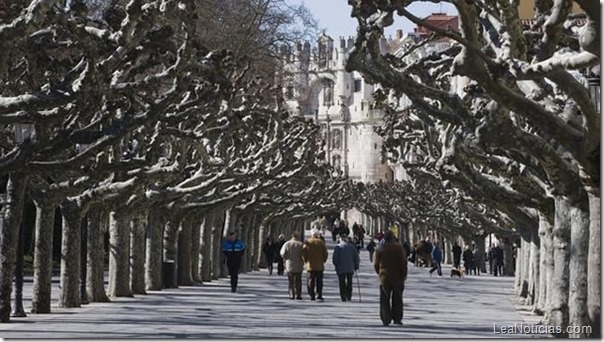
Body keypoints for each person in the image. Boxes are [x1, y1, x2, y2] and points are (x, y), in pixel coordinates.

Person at [374, 231, 408, 326]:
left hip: (384, 277)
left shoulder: (380, 249)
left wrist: (380, 273)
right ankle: (397, 318)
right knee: (397, 299)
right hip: (397, 277)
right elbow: (403, 263)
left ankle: (385, 318)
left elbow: (376, 264)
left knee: (384, 299)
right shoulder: (399, 249)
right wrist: (404, 275)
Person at [302, 228, 328, 301]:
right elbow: (325, 253)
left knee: (310, 280)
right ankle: (319, 294)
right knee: (319, 281)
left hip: (310, 265)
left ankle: (311, 294)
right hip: (319, 265)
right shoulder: (321, 242)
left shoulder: (308, 242)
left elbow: (303, 253)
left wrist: (305, 261)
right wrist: (323, 260)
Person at [332, 234, 360, 302]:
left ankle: (343, 296)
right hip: (350, 267)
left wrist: (336, 265)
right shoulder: (352, 247)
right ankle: (349, 295)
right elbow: (356, 257)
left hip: (341, 267)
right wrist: (356, 266)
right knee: (349, 282)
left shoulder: (338, 247)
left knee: (342, 282)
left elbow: (335, 258)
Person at [280, 232, 304, 299]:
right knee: (298, 280)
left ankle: (291, 294)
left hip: (289, 264)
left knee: (291, 281)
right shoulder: (301, 244)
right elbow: (305, 254)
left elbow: (282, 253)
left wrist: (286, 258)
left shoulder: (287, 244)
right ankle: (298, 295)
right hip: (299, 265)